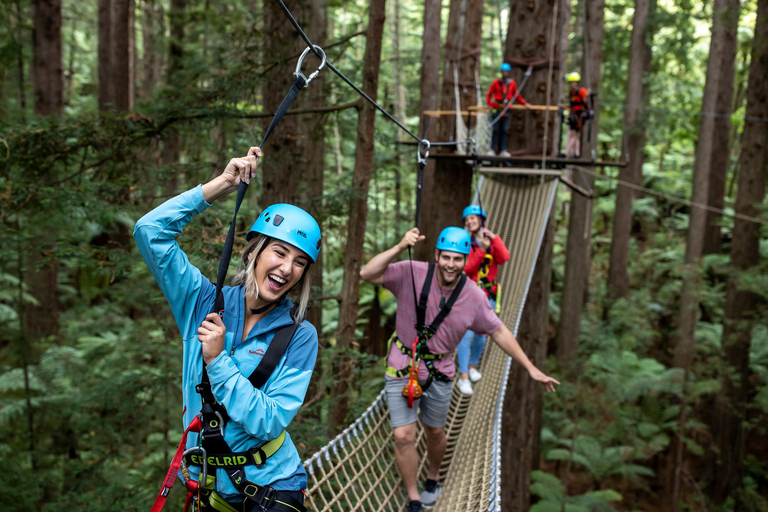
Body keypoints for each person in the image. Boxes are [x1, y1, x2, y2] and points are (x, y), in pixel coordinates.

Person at [135, 147, 319, 512]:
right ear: (254, 252)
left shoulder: (299, 335)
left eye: (300, 262)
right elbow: (149, 232)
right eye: (280, 252)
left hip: (274, 487)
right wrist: (221, 185)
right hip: (212, 489)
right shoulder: (201, 302)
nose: (288, 268)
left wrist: (218, 361)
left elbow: (269, 420)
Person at [360, 226, 559, 512]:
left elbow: (499, 332)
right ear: (437, 255)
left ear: (466, 260)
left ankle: (433, 476)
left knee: (436, 432)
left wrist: (530, 367)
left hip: (440, 371)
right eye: (446, 257)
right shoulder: (411, 272)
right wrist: (400, 245)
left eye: (458, 259)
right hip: (403, 366)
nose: (451, 265)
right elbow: (367, 274)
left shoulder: (474, 297)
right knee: (403, 436)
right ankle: (414, 497)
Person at [456, 205, 510, 395]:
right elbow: (468, 268)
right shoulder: (465, 243)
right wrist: (481, 250)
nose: (470, 222)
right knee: (466, 335)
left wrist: (494, 238)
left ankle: (472, 367)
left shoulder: (490, 240)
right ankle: (463, 377)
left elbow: (504, 258)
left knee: (482, 335)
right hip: (469, 296)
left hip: (489, 295)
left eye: (473, 218)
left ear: (481, 220)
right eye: (467, 220)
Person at [485, 62, 532, 157]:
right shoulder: (496, 83)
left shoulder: (512, 84)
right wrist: (490, 104)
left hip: (507, 109)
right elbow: (489, 94)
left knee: (505, 130)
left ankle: (503, 150)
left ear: (509, 72)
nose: (504, 73)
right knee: (495, 130)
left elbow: (516, 95)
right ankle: (492, 149)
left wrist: (524, 103)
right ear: (501, 72)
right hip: (497, 108)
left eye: (506, 72)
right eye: (503, 71)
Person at [564, 72, 590, 158]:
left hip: (580, 115)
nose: (572, 84)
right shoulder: (571, 93)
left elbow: (585, 102)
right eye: (570, 82)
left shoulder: (581, 91)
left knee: (574, 134)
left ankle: (566, 152)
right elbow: (572, 105)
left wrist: (586, 94)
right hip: (573, 115)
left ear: (577, 82)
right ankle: (577, 153)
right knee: (575, 135)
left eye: (573, 82)